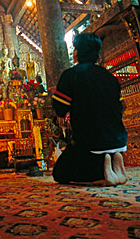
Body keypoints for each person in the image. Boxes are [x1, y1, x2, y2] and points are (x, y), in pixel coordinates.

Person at [52, 33, 128, 186]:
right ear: (97, 55)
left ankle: (102, 171)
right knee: (100, 148)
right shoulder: (110, 78)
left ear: (77, 53)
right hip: (119, 138)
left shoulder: (71, 75)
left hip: (91, 141)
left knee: (60, 173)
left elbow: (60, 107)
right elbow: (121, 107)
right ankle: (115, 163)